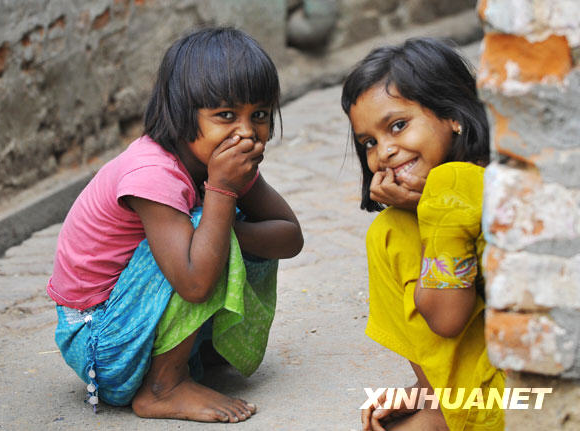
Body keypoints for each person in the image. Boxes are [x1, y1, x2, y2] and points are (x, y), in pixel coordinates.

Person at [47, 27, 303, 423]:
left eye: (261, 115)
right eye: (225, 115)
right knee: (208, 227)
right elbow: (195, 282)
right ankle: (162, 387)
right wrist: (218, 201)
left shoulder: (224, 160)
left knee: (223, 228)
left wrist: (224, 228)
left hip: (133, 327)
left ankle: (202, 351)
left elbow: (289, 237)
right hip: (101, 345)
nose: (247, 132)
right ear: (182, 113)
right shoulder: (153, 173)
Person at [341, 38, 505, 431]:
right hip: (494, 393)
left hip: (534, 398)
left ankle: (443, 412)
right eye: (369, 143)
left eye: (398, 126)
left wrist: (433, 207)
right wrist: (421, 392)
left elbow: (447, 319)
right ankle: (438, 402)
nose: (385, 152)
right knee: (389, 229)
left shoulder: (459, 181)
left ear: (453, 115)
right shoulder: (413, 215)